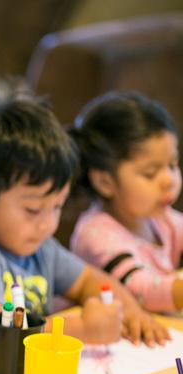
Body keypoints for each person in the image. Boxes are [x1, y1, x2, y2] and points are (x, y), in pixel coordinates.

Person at [0, 91, 169, 363]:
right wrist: (83, 329)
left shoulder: (36, 242)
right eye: (33, 209)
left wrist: (132, 311)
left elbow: (90, 281)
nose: (48, 224)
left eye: (57, 207)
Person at [69, 92, 183, 313]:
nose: (169, 180)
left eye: (172, 164)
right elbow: (141, 292)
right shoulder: (96, 234)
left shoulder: (161, 217)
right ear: (105, 181)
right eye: (150, 173)